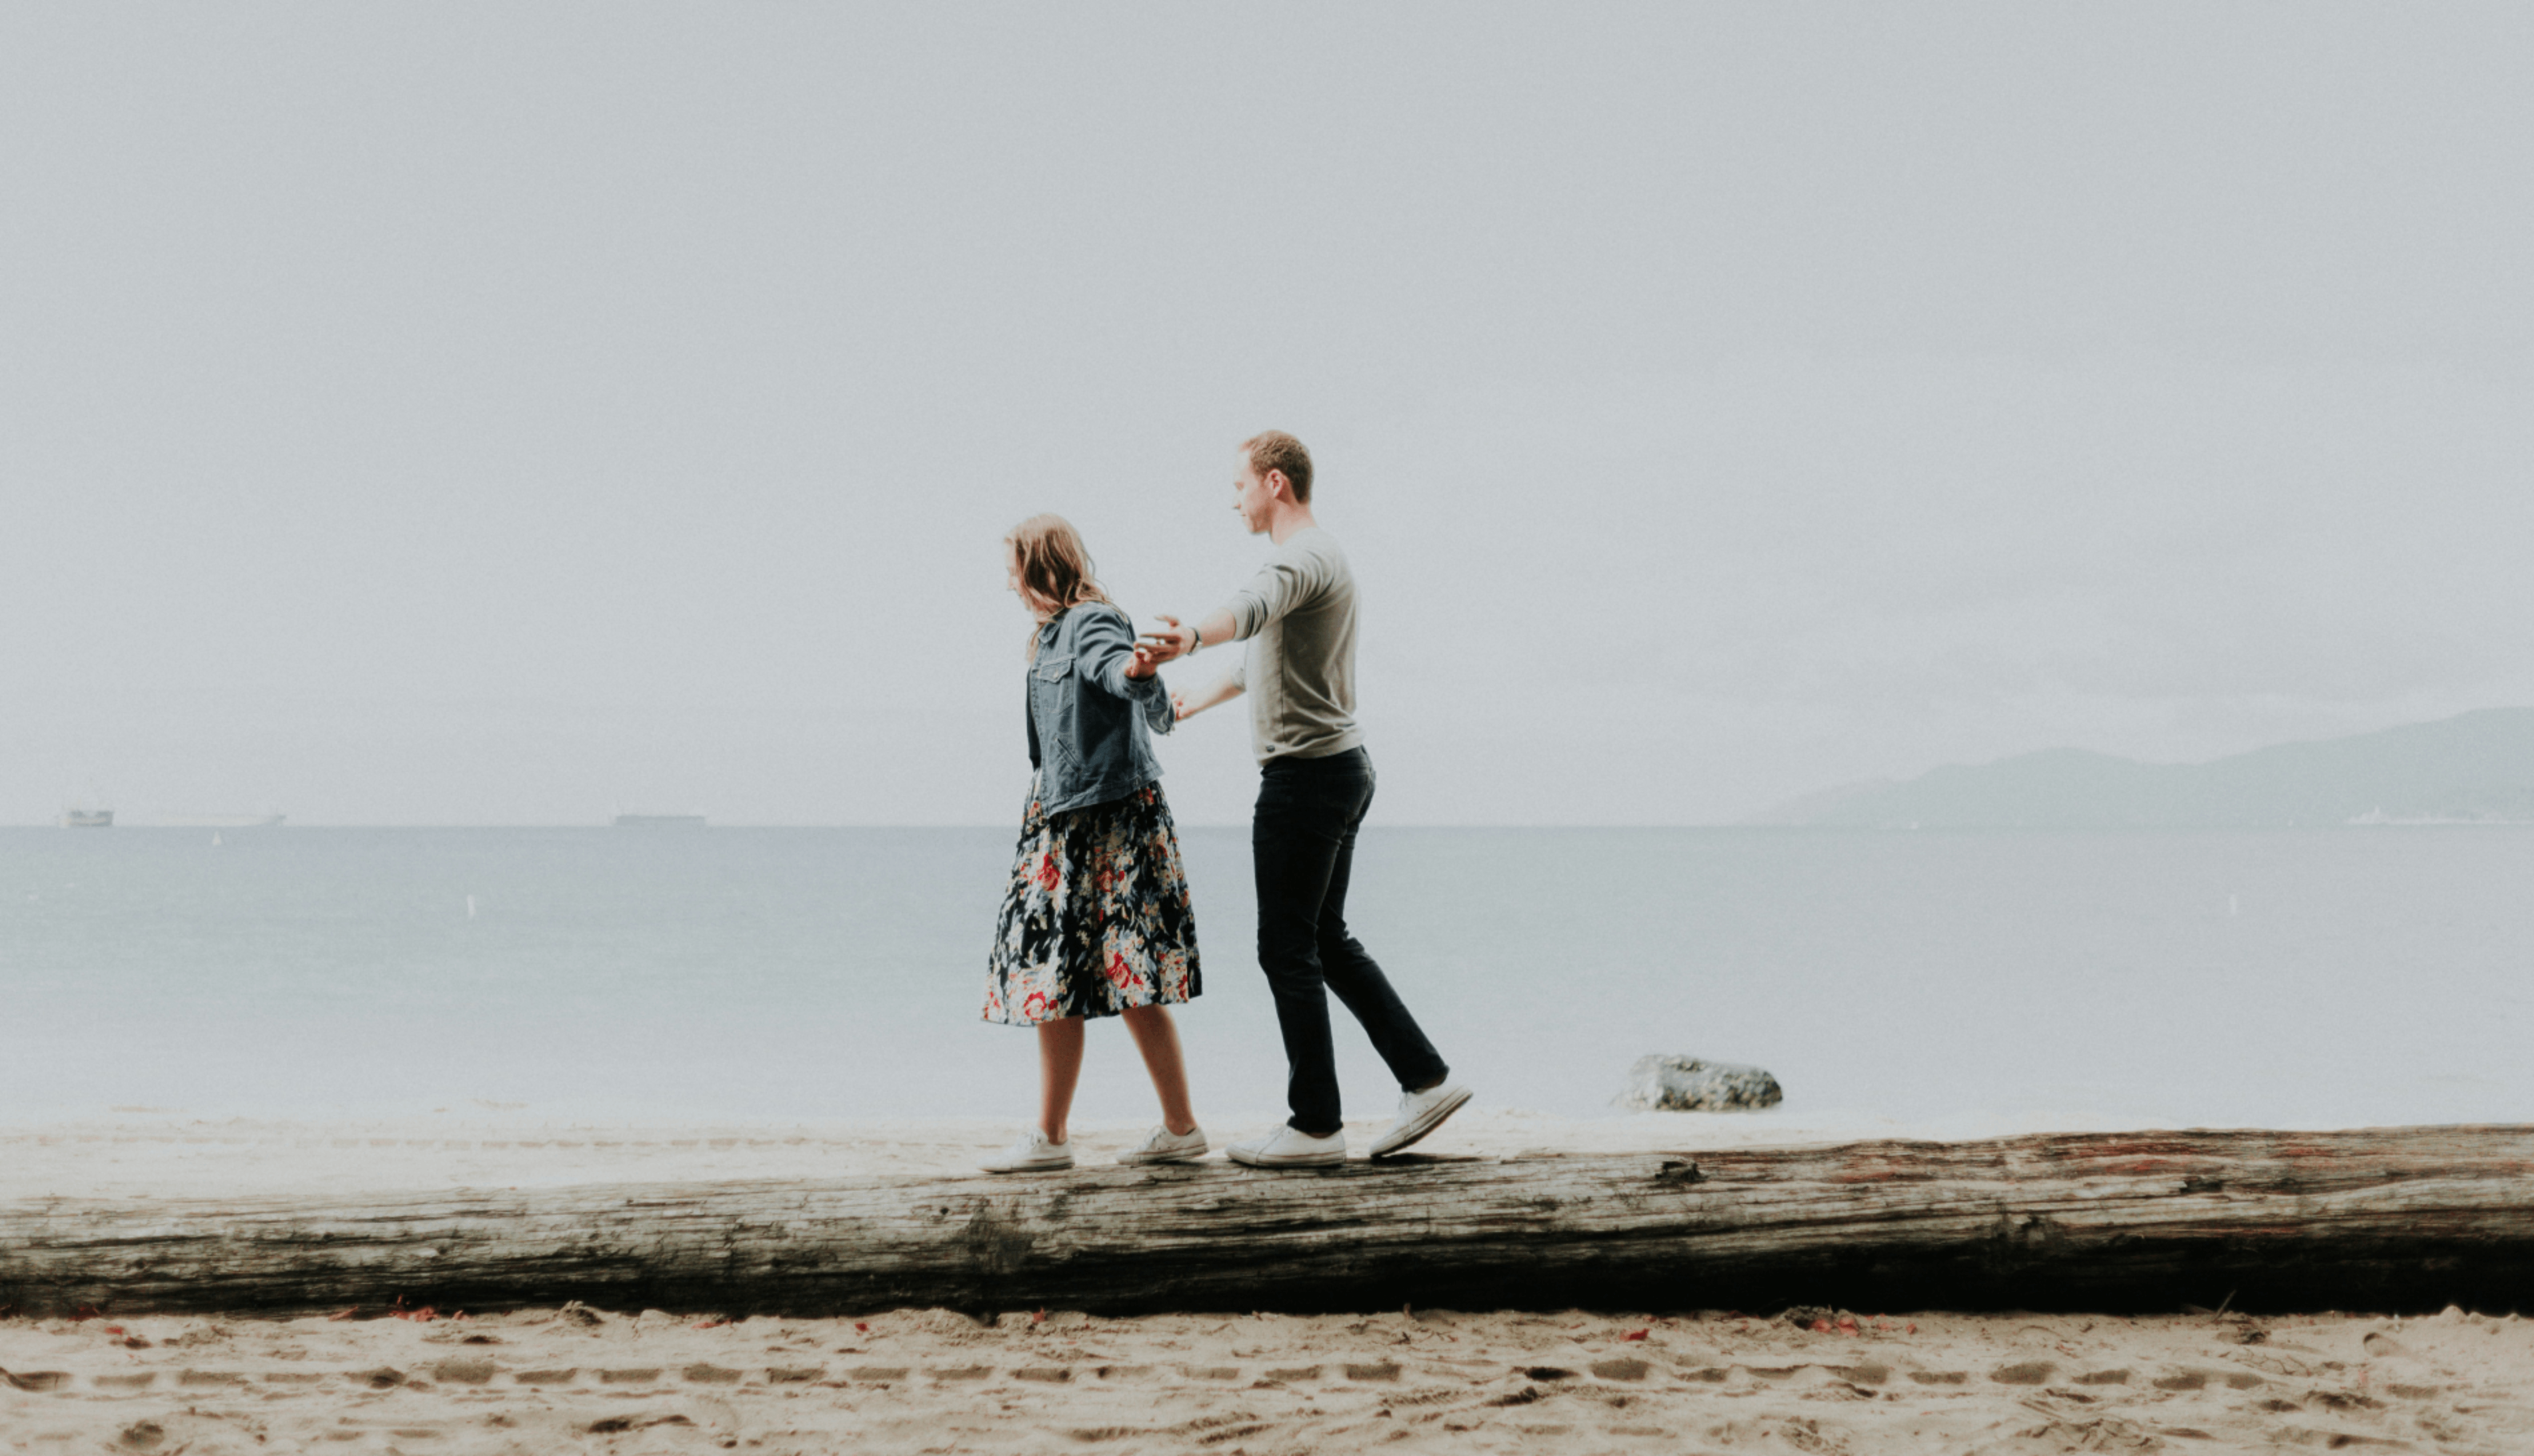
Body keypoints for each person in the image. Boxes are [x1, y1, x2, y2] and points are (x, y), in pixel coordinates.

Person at [1139, 432, 1470, 1168]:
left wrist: (1189, 634)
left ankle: (1315, 1125)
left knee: (1285, 947)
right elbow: (1265, 652)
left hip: (1306, 780)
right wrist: (1197, 696)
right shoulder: (1321, 560)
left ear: (1275, 483)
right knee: (1323, 938)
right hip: (1339, 769)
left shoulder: (1300, 559)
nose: (1234, 498)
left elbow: (1250, 609)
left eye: (1239, 484)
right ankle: (1425, 1078)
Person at [979, 514, 1208, 1174]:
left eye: (1014, 570)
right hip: (1063, 818)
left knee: (1122, 973)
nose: (1010, 584)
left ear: (1037, 565)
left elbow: (1116, 671)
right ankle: (1076, 1134)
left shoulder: (1089, 621)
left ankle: (1146, 1131)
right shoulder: (1047, 636)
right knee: (1065, 977)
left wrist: (1138, 669)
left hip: (1103, 822)